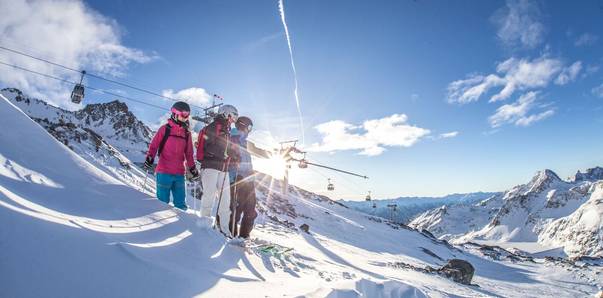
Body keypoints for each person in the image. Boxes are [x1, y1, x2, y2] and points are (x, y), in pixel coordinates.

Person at [144, 101, 198, 211]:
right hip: (164, 172)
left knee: (181, 204)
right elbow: (154, 145)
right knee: (162, 203)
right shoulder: (165, 129)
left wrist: (192, 168)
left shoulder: (186, 134)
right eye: (183, 114)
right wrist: (150, 158)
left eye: (187, 115)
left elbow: (189, 154)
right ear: (175, 113)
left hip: (179, 173)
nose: (185, 117)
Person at [196, 104, 238, 236]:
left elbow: (226, 149)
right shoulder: (214, 127)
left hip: (223, 169)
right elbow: (207, 146)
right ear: (226, 114)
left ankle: (225, 229)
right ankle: (204, 224)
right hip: (209, 166)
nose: (233, 121)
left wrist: (232, 153)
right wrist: (224, 152)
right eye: (232, 117)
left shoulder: (227, 130)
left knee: (225, 199)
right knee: (209, 194)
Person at [228, 116, 271, 239]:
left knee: (250, 211)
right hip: (236, 178)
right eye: (249, 127)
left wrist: (280, 153)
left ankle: (244, 236)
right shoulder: (231, 138)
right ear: (243, 125)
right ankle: (230, 234)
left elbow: (260, 152)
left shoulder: (246, 143)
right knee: (236, 210)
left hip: (249, 180)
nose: (249, 130)